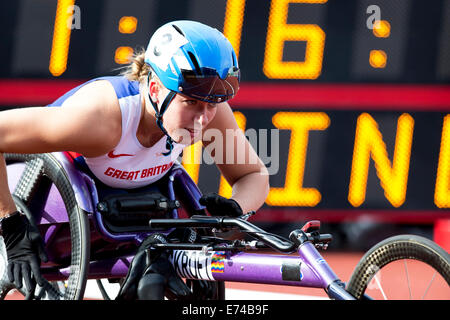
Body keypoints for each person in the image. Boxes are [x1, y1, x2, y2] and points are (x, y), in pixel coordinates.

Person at [0, 20, 269, 299]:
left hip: (120, 219)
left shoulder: (208, 109)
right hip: (43, 215)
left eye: (212, 104)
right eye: (191, 102)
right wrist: (11, 226)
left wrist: (235, 210)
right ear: (154, 88)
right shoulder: (101, 120)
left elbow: (253, 175)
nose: (203, 119)